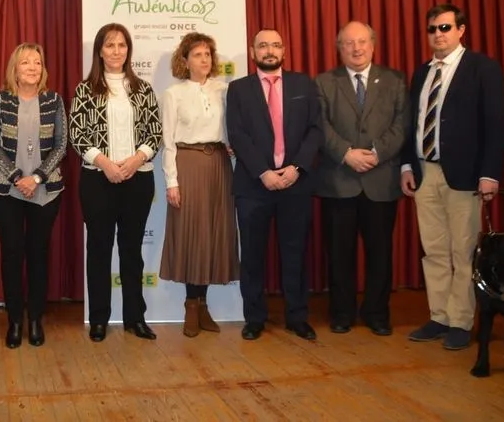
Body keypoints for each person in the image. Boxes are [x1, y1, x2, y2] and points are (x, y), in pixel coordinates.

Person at [401, 4, 504, 350]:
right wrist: (407, 166)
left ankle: (461, 321)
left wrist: (490, 173)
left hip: (465, 176)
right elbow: (412, 124)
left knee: (462, 252)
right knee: (434, 250)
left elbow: (497, 125)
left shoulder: (482, 68)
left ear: (461, 30)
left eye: (445, 27)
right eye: (432, 29)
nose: (438, 34)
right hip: (425, 173)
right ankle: (439, 316)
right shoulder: (422, 73)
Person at [226, 28, 322, 341]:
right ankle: (254, 318)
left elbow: (315, 130)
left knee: (295, 254)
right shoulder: (238, 89)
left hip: (296, 183)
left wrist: (297, 168)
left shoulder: (303, 84)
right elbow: (237, 134)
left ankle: (297, 317)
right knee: (252, 256)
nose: (270, 50)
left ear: (284, 51)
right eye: (263, 45)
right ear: (253, 52)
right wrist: (263, 172)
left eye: (276, 45)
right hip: (254, 185)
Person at [70, 22, 162, 343]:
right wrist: (106, 163)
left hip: (138, 180)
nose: (116, 51)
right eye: (110, 45)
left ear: (128, 50)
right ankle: (98, 319)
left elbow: (155, 132)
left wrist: (136, 160)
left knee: (131, 251)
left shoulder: (143, 89)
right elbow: (78, 134)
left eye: (122, 45)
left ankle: (135, 318)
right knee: (99, 250)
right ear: (99, 51)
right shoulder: (85, 90)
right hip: (98, 179)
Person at [315, 21, 408, 337]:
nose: (356, 48)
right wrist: (346, 153)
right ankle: (341, 313)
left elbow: (402, 124)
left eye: (362, 42)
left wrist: (376, 153)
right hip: (338, 181)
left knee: (380, 254)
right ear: (339, 48)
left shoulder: (395, 80)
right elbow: (320, 126)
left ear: (373, 44)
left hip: (380, 181)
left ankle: (377, 313)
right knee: (339, 255)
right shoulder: (324, 82)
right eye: (348, 43)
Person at [0, 43, 68, 349]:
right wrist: (17, 177)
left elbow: (61, 144)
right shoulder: (0, 99)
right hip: (7, 191)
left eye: (37, 62)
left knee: (38, 256)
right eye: (25, 63)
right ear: (15, 69)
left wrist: (37, 177)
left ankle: (35, 319)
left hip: (45, 191)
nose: (32, 67)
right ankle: (14, 321)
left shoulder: (54, 100)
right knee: (11, 255)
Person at [158, 32, 239, 337]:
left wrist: (232, 145)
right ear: (185, 60)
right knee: (191, 234)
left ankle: (204, 306)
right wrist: (172, 181)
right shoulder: (173, 94)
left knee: (213, 234)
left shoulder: (224, 90)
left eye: (207, 54)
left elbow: (230, 127)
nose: (204, 59)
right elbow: (168, 141)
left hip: (218, 164)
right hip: (188, 164)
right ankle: (191, 305)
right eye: (197, 55)